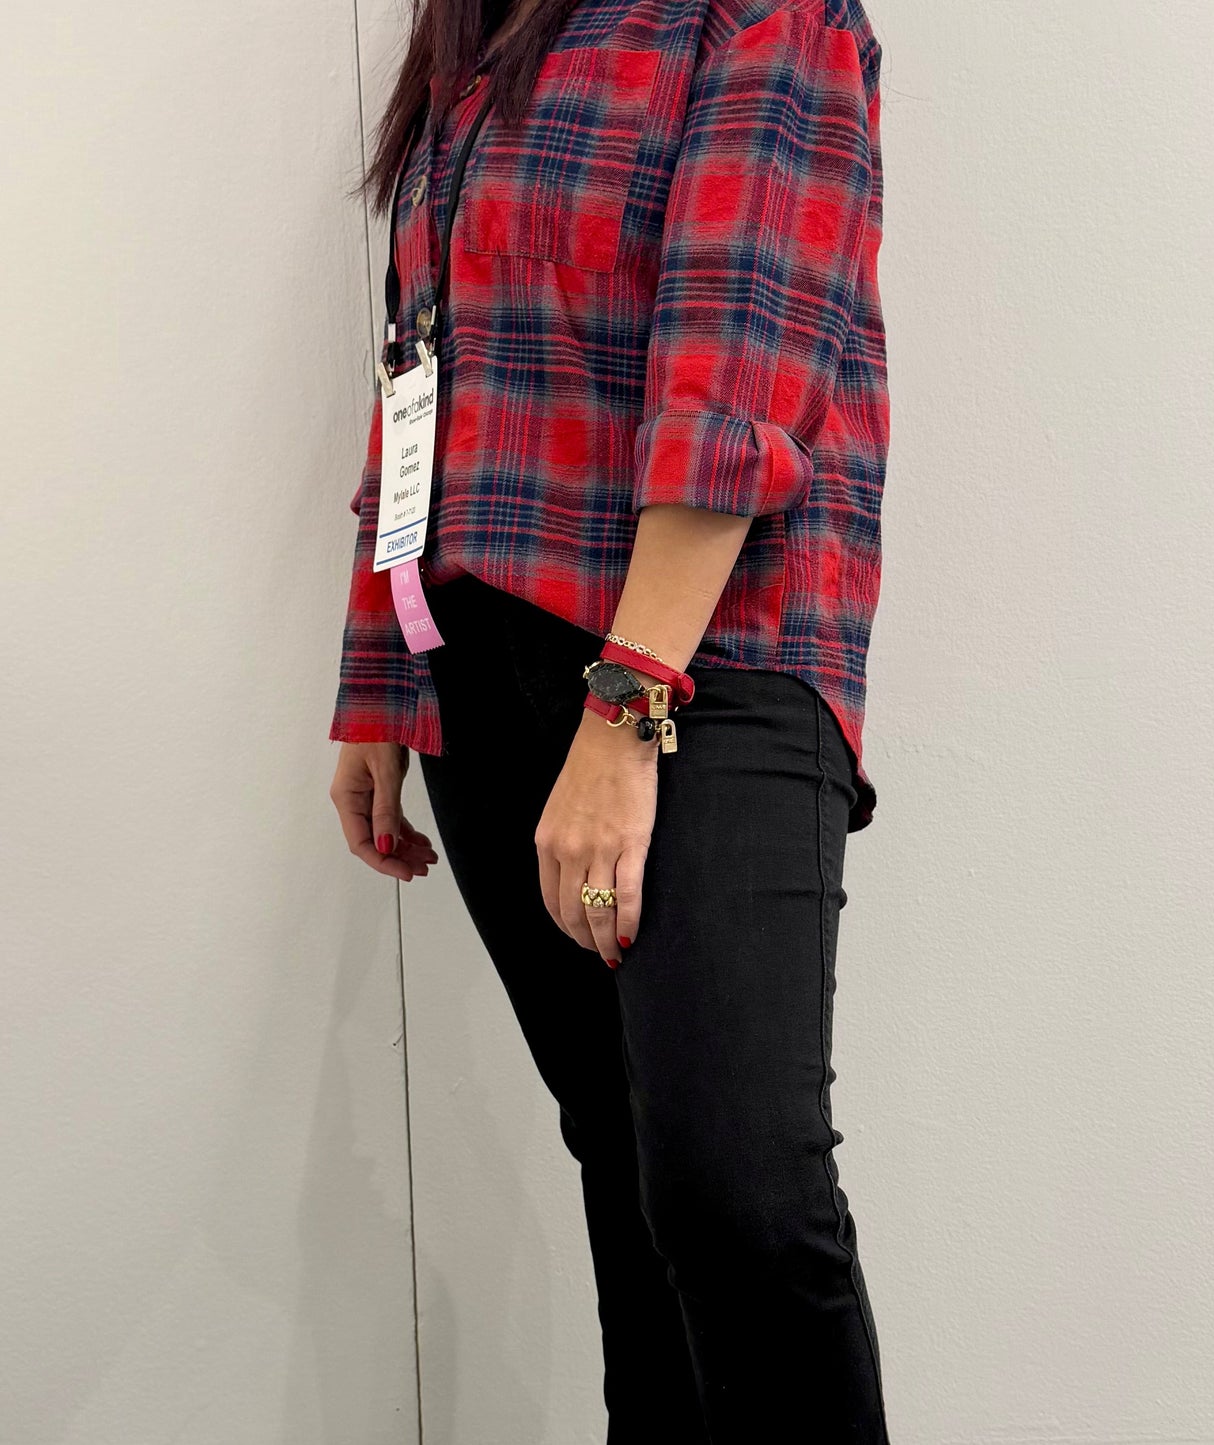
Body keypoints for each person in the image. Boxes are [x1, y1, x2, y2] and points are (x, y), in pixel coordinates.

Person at [328, 0, 891, 1435]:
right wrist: (378, 669)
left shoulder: (761, 16)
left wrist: (626, 698)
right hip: (480, 659)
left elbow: (736, 370)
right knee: (632, 1164)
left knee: (735, 1187)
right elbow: (420, 375)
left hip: (711, 654)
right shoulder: (477, 32)